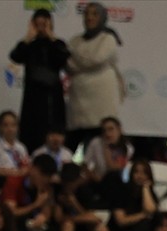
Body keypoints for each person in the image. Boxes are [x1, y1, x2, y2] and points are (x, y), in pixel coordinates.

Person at [65, 2, 123, 154]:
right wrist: (82, 62)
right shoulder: (75, 40)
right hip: (78, 105)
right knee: (70, 148)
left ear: (102, 17)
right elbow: (69, 65)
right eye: (87, 14)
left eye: (95, 14)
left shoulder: (108, 39)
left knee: (98, 152)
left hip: (101, 105)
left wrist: (76, 57)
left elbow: (95, 59)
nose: (89, 18)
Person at [8, 10, 68, 154]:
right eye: (38, 24)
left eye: (44, 24)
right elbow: (15, 56)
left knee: (51, 132)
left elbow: (63, 58)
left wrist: (51, 37)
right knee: (31, 136)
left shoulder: (57, 44)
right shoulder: (29, 45)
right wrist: (28, 37)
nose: (41, 27)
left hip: (52, 99)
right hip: (32, 99)